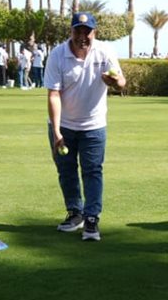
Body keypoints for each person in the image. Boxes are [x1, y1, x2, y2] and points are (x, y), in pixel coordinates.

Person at [45, 12, 125, 242]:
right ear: (71, 32)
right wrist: (57, 131)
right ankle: (75, 212)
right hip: (64, 124)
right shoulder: (57, 55)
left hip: (94, 124)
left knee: (92, 171)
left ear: (94, 32)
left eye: (86, 31)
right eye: (77, 31)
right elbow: (54, 94)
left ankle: (91, 218)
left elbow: (121, 83)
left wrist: (115, 82)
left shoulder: (105, 51)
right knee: (66, 170)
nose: (82, 36)